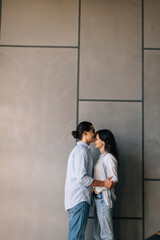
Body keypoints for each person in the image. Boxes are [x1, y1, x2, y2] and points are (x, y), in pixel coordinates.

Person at [64, 122, 116, 240]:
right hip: (79, 199)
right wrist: (104, 183)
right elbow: (82, 178)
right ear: (85, 133)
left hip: (78, 200)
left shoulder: (81, 151)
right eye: (93, 131)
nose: (95, 133)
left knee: (77, 236)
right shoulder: (81, 151)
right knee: (76, 237)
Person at [93, 129, 119, 240]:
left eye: (97, 139)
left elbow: (114, 180)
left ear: (103, 141)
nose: (94, 141)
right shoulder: (101, 158)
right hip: (98, 199)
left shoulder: (108, 157)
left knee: (106, 234)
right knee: (98, 234)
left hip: (104, 199)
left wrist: (98, 189)